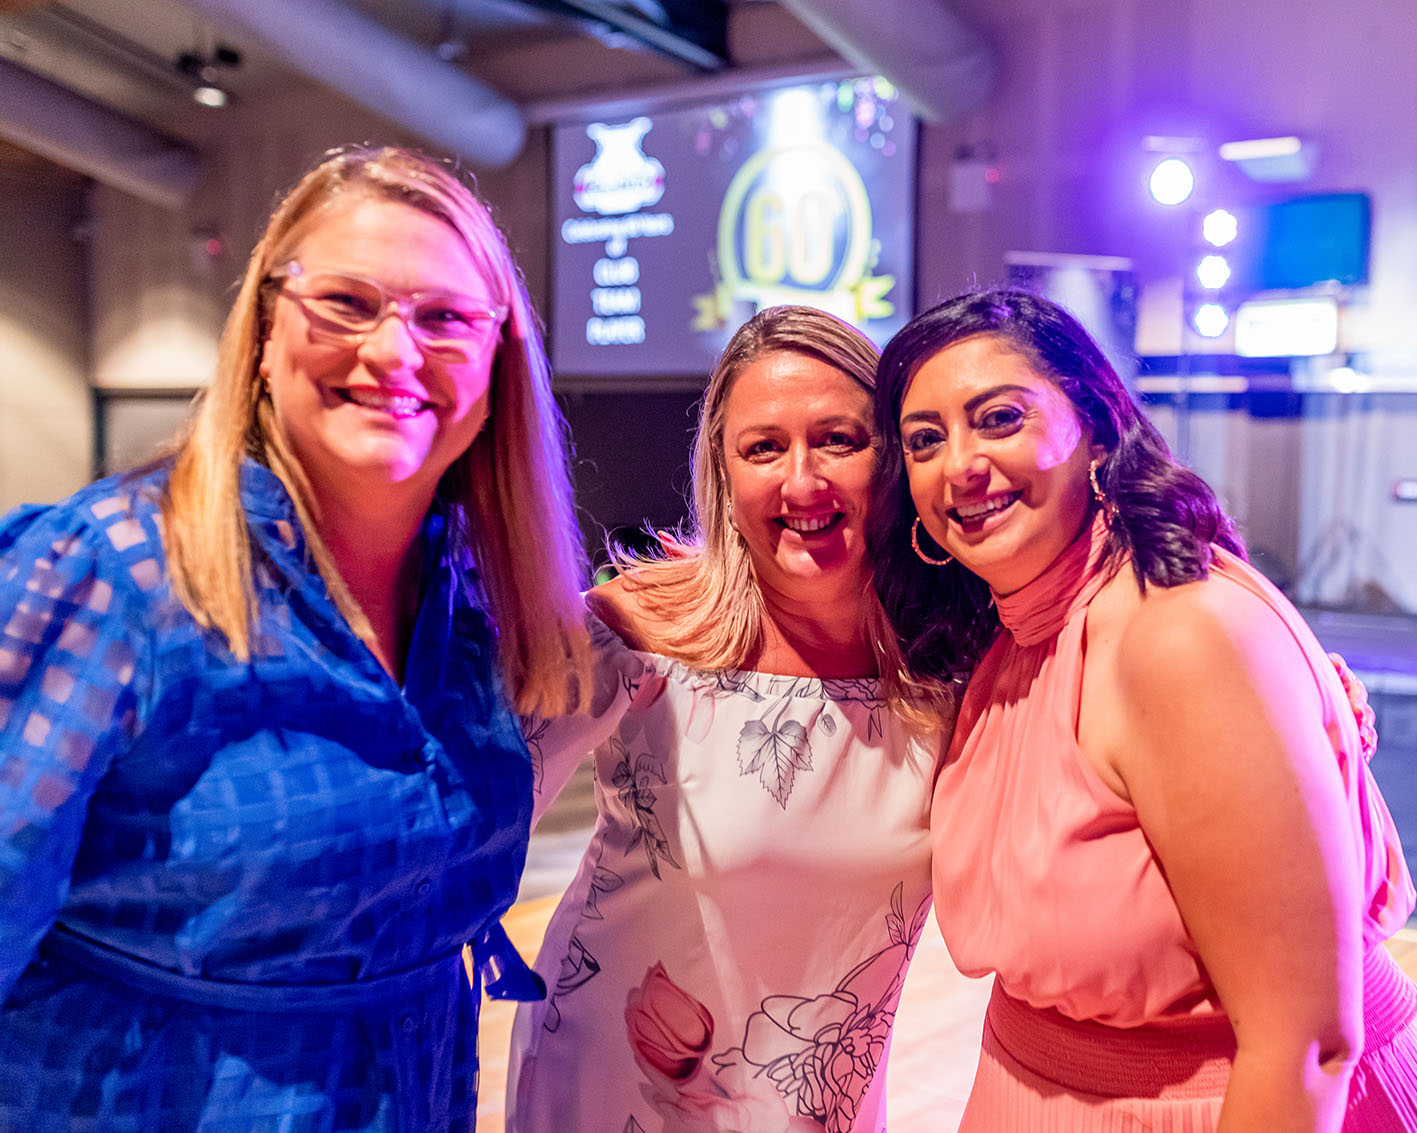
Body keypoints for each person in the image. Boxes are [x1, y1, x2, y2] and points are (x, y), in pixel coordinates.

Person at [0, 145, 591, 1132]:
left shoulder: (479, 607)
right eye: (346, 304)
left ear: (497, 361)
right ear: (266, 333)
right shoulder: (113, 574)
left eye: (444, 318)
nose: (393, 352)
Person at [873, 288, 1417, 1132]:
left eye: (1000, 418)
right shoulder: (1010, 641)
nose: (961, 465)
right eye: (925, 440)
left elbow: (1305, 1043)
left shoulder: (1180, 637)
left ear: (1095, 430)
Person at [507, 306, 951, 1133]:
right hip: (617, 1088)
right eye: (764, 448)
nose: (802, 481)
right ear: (723, 471)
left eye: (839, 440)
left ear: (893, 455)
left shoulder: (942, 668)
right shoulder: (641, 632)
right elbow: (469, 811)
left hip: (821, 1104)